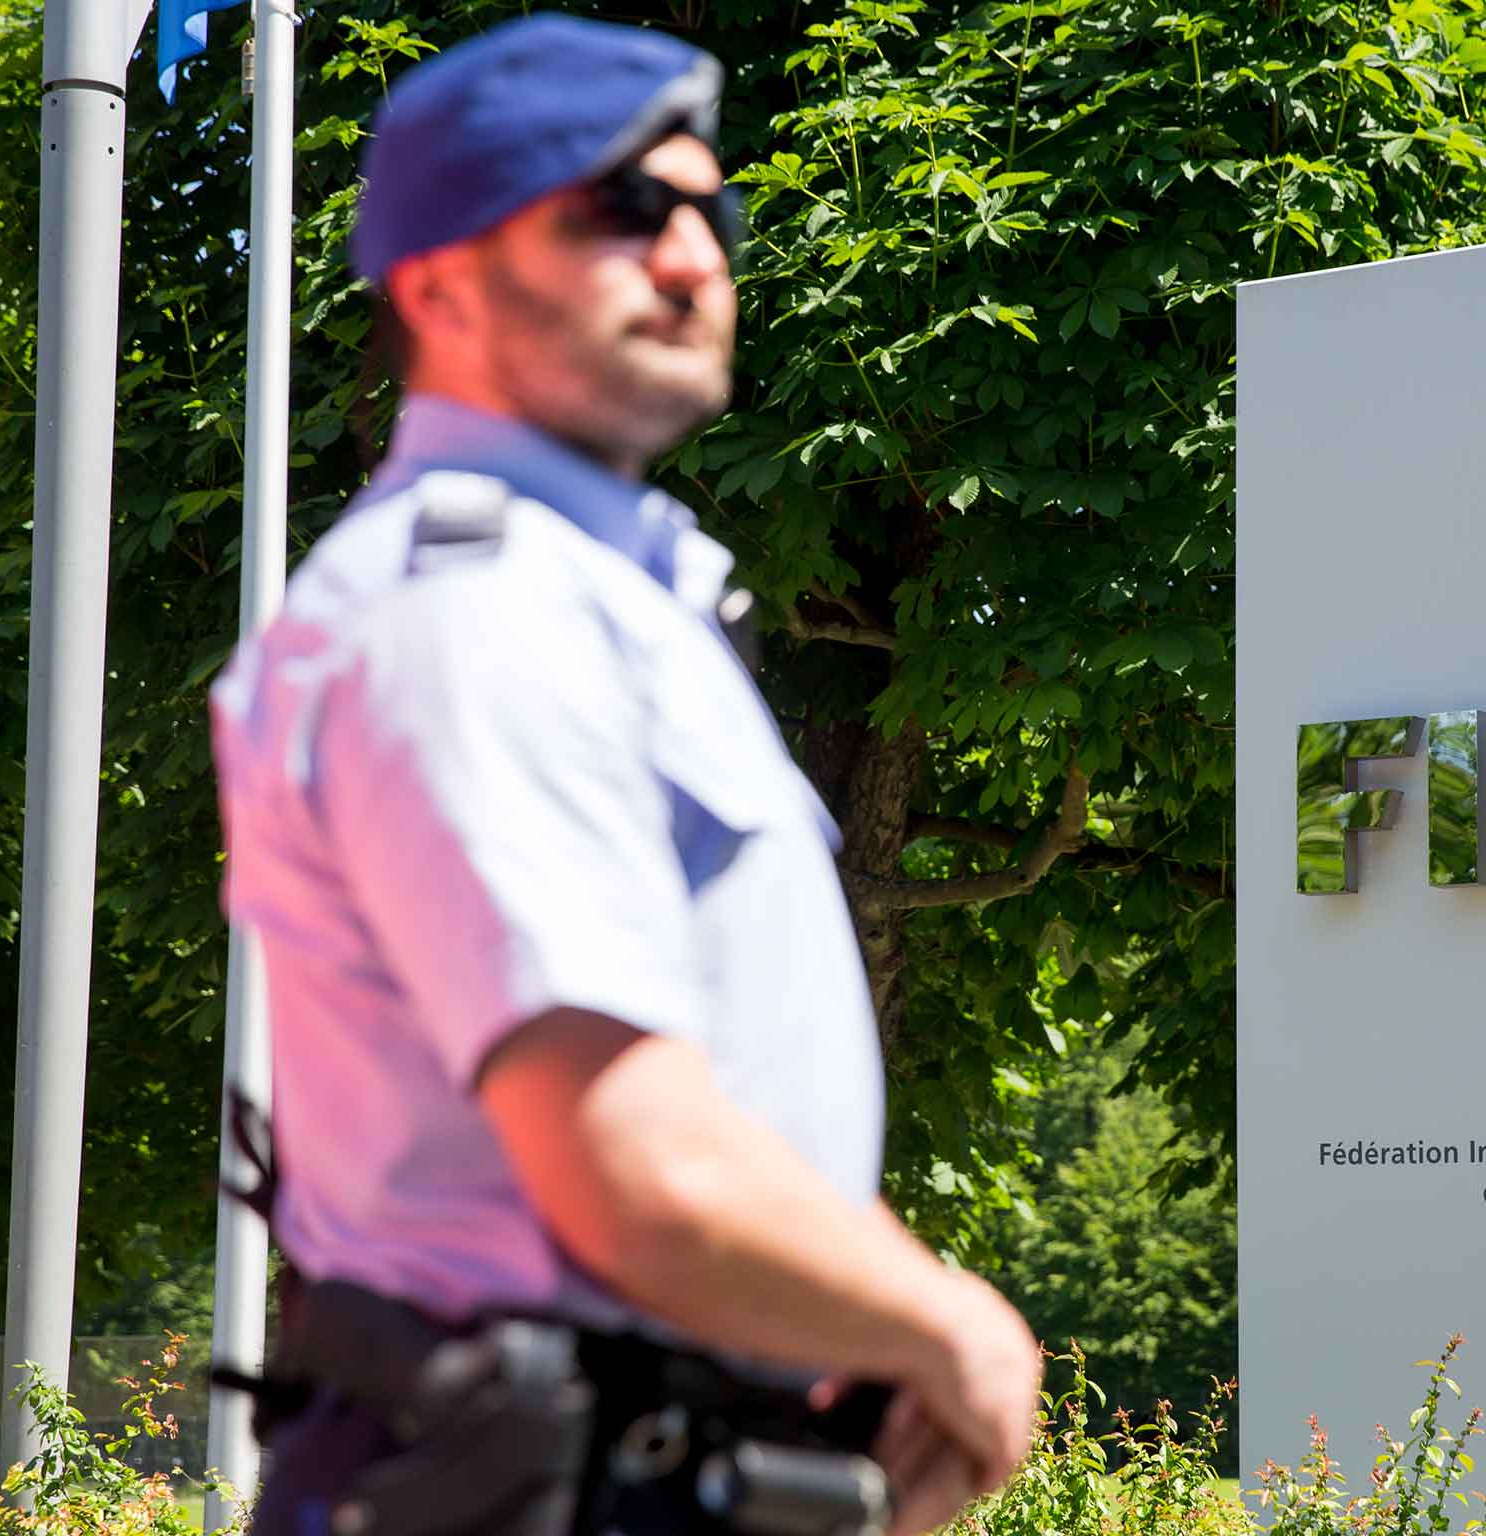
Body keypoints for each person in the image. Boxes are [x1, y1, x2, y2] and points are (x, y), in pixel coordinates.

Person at [206, 14, 1043, 1536]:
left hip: (635, 1467)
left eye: (708, 210)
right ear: (438, 280)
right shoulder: (470, 612)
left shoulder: (598, 599)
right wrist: (950, 1325)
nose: (688, 254)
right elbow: (634, 1172)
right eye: (618, 209)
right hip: (537, 1477)